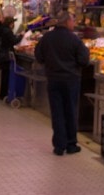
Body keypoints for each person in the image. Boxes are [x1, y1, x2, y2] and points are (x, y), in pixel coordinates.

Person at [34, 10, 90, 156]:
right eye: (73, 21)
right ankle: (71, 144)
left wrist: (49, 63)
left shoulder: (47, 37)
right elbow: (84, 60)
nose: (74, 23)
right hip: (71, 80)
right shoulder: (74, 39)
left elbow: (38, 55)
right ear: (67, 22)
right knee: (70, 111)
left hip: (53, 79)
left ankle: (59, 146)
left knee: (57, 112)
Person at [0, 16, 23, 101]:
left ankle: (2, 94)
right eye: (13, 23)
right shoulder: (8, 31)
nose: (14, 24)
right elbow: (13, 41)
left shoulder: (2, 30)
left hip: (2, 55)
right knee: (6, 75)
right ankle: (5, 94)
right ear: (10, 23)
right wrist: (21, 37)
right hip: (6, 56)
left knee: (4, 75)